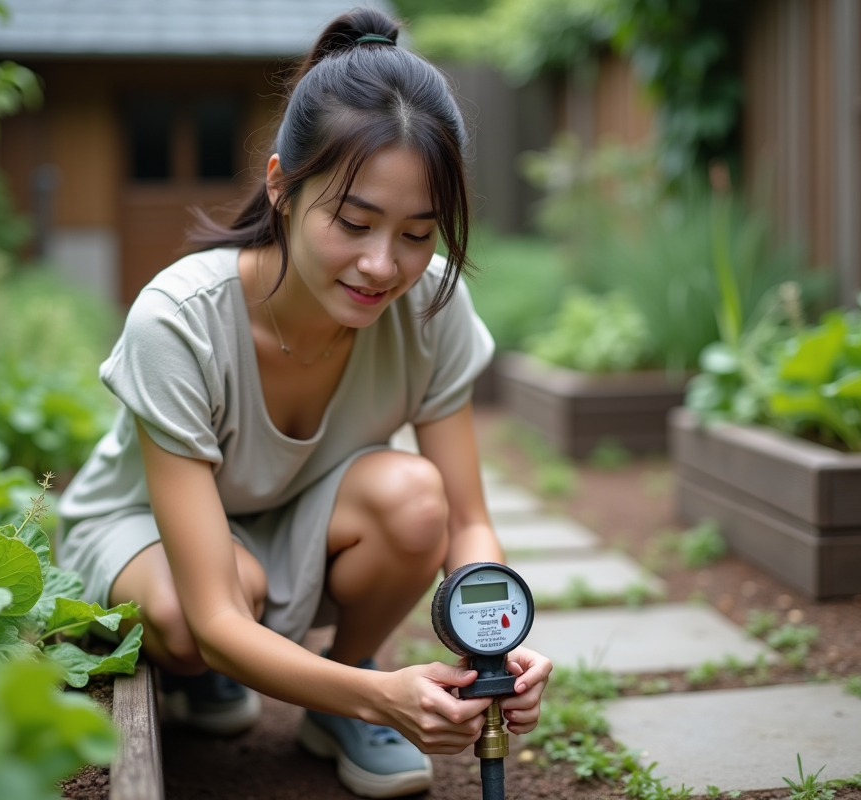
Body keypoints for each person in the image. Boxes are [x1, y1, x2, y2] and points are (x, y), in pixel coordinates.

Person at [55, 8, 551, 798]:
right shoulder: (179, 322)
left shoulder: (431, 305)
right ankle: (245, 679)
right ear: (282, 185)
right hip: (140, 534)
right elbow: (219, 615)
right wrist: (389, 700)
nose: (382, 265)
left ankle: (338, 690)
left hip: (289, 525)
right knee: (201, 617)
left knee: (416, 499)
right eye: (353, 223)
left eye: (419, 233)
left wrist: (493, 641)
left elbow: (465, 521)